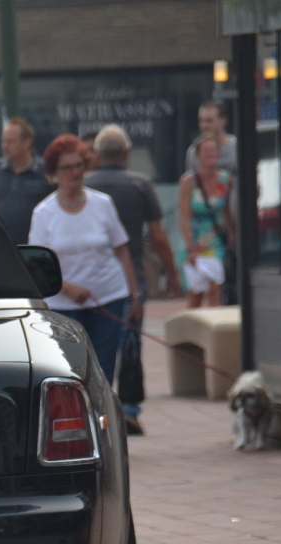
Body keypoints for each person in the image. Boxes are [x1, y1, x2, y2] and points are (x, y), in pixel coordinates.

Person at [85, 124, 181, 435]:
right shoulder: (140, 184)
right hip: (130, 279)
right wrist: (172, 272)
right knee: (129, 345)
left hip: (93, 280)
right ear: (126, 153)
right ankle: (128, 409)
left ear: (97, 155)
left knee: (95, 347)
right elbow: (158, 236)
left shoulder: (84, 186)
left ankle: (96, 408)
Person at [29, 134, 142, 386]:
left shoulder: (103, 204)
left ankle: (104, 422)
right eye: (67, 167)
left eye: (79, 165)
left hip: (108, 298)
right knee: (70, 371)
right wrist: (69, 289)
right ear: (53, 172)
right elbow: (38, 266)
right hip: (63, 304)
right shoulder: (44, 213)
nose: (75, 172)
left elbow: (122, 251)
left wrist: (135, 296)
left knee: (103, 369)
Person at [178, 135, 234, 308]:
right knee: (195, 296)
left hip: (215, 242)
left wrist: (233, 236)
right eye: (206, 151)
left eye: (213, 150)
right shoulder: (189, 182)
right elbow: (184, 216)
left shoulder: (226, 180)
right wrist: (189, 247)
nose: (211, 154)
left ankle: (214, 333)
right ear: (198, 156)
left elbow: (227, 212)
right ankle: (192, 334)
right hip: (195, 242)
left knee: (215, 292)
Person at [0, 118, 53, 245]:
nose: (5, 147)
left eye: (10, 142)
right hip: (0, 247)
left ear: (27, 143)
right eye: (3, 141)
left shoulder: (45, 171)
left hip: (35, 248)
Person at [184, 100, 237, 175]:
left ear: (223, 120)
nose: (204, 126)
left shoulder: (237, 147)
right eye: (201, 121)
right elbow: (191, 182)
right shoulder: (194, 151)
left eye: (209, 121)